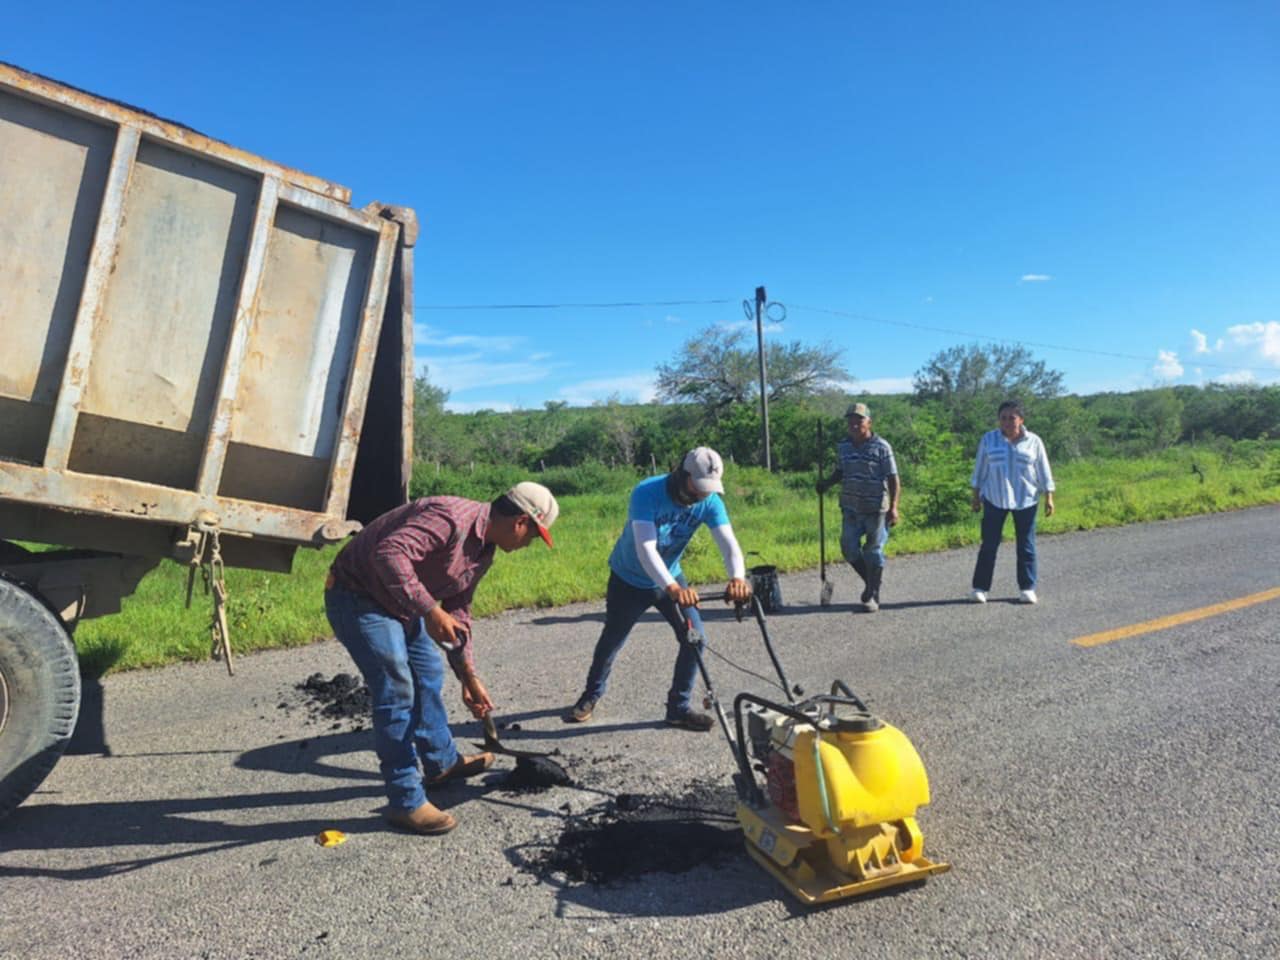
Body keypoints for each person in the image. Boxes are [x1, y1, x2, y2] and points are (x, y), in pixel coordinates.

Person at [324, 482, 559, 836]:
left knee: (429, 672)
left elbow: (459, 609)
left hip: (400, 602)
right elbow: (388, 555)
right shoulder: (450, 518)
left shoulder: (484, 551)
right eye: (533, 537)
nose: (528, 546)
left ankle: (441, 764)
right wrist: (430, 611)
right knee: (396, 688)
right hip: (357, 596)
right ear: (520, 522)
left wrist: (469, 677)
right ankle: (405, 801)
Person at [565, 447, 752, 732]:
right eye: (699, 486)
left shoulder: (710, 500)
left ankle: (677, 709)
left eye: (709, 489)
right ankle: (591, 695)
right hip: (629, 579)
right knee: (612, 641)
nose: (703, 494)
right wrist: (673, 588)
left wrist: (737, 578)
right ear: (682, 473)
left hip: (671, 577)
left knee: (695, 639)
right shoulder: (647, 492)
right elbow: (646, 548)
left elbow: (728, 544)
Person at [968, 400, 1055, 604]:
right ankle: (980, 588)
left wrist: (1049, 497)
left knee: (1026, 545)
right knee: (989, 544)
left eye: (1012, 417)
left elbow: (1043, 469)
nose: (1007, 422)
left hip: (1025, 499)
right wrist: (975, 496)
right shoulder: (989, 439)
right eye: (1003, 418)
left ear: (1021, 419)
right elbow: (980, 469)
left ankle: (1027, 587)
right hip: (994, 498)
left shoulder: (1033, 441)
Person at [817, 402, 900, 612]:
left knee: (873, 550)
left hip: (876, 509)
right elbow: (840, 472)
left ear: (869, 422)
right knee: (848, 548)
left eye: (859, 419)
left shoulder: (882, 446)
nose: (854, 424)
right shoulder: (843, 446)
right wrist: (826, 483)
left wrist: (894, 507)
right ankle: (872, 584)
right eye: (851, 420)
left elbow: (893, 478)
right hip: (851, 507)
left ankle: (873, 594)